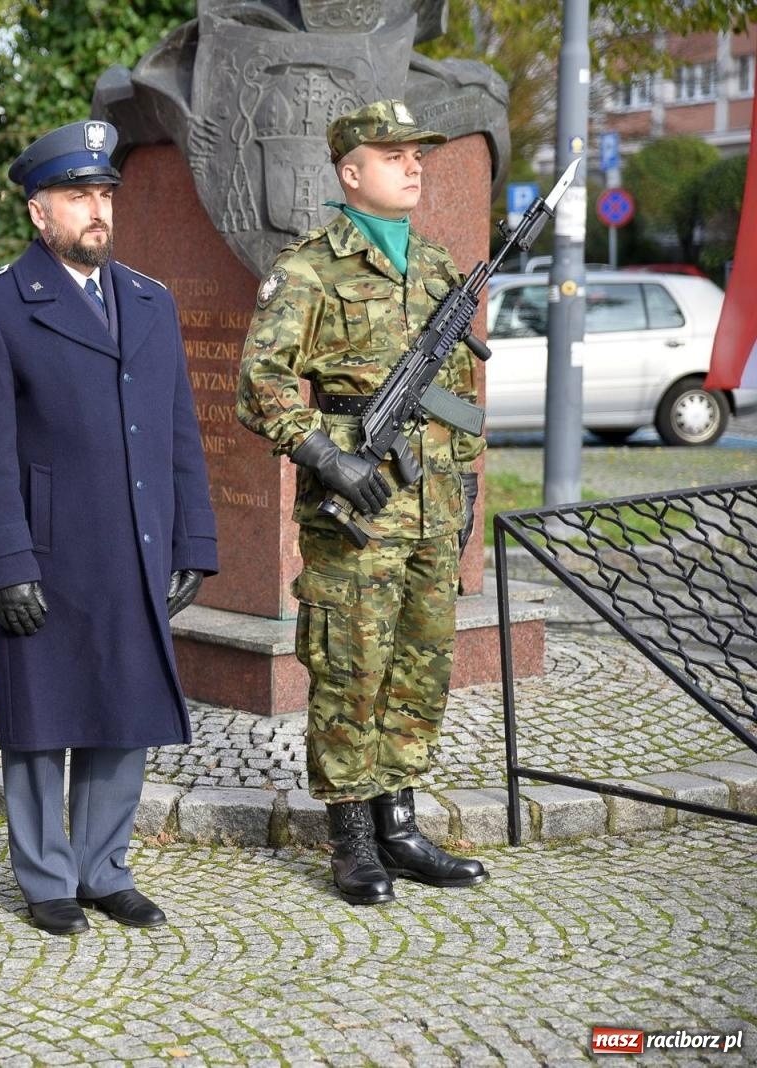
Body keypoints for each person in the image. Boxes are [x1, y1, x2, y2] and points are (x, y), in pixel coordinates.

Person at [0, 120, 218, 937]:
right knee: (43, 718)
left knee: (123, 707)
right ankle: (47, 877)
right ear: (38, 212)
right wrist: (3, 563)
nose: (97, 211)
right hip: (48, 551)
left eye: (103, 195)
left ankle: (105, 867)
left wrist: (192, 542)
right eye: (78, 196)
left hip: (136, 541)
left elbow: (178, 431)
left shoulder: (149, 300)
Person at [236, 99, 490, 907]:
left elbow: (458, 393)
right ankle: (350, 839)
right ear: (351, 172)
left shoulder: (440, 266)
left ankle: (401, 825)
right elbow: (259, 382)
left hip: (433, 505)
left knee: (420, 668)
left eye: (418, 155)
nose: (414, 165)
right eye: (394, 155)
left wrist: (466, 494)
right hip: (360, 507)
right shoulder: (310, 267)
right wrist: (326, 458)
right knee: (353, 668)